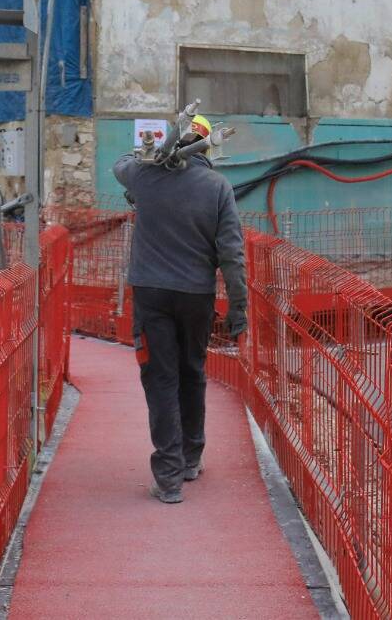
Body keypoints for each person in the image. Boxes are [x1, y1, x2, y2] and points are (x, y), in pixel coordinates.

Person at [111, 114, 247, 504]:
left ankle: (169, 477)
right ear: (207, 147)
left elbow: (120, 165)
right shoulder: (218, 187)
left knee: (161, 378)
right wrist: (238, 307)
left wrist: (150, 153)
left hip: (151, 294)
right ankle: (190, 457)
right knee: (192, 372)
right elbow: (232, 254)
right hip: (196, 296)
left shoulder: (145, 176)